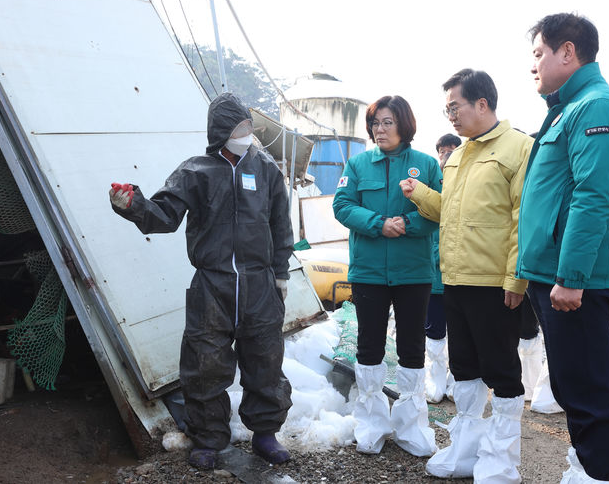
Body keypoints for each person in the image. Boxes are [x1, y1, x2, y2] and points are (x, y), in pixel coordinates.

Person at [108, 93, 294, 470]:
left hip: (259, 285)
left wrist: (280, 275)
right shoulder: (196, 171)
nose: (248, 134)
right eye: (241, 128)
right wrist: (132, 205)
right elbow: (164, 215)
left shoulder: (267, 170)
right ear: (222, 132)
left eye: (249, 127)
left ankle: (265, 435)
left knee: (266, 361)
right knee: (204, 364)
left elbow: (281, 226)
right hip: (212, 285)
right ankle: (208, 438)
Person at [516, 13, 609, 482]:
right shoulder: (569, 107)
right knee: (574, 385)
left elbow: (594, 198)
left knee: (587, 391)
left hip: (576, 282)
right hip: (555, 276)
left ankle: (600, 475)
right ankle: (587, 469)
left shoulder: (597, 107)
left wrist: (570, 277)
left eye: (539, 54)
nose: (534, 66)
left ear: (568, 52)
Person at [400, 69, 533, 483]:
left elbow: (522, 218)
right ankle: (467, 452)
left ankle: (501, 461)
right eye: (447, 109)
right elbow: (451, 214)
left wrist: (516, 278)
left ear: (482, 103)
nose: (450, 116)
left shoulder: (519, 148)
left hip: (493, 282)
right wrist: (421, 195)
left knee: (502, 371)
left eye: (455, 106)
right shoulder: (458, 155)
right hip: (455, 279)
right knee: (465, 368)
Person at [333, 95, 442, 457]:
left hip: (413, 271)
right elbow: (342, 205)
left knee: (413, 345)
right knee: (369, 345)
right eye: (376, 122)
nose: (380, 129)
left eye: (388, 122)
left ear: (405, 125)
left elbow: (442, 209)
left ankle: (411, 426)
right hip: (369, 272)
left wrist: (406, 224)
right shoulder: (359, 163)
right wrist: (379, 224)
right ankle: (372, 423)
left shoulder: (426, 165)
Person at [424, 133, 460, 404]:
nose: (446, 155)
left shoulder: (467, 181)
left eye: (451, 150)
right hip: (435, 277)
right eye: (442, 151)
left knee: (460, 333)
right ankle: (434, 383)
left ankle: (456, 383)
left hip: (462, 275)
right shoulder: (431, 184)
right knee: (434, 331)